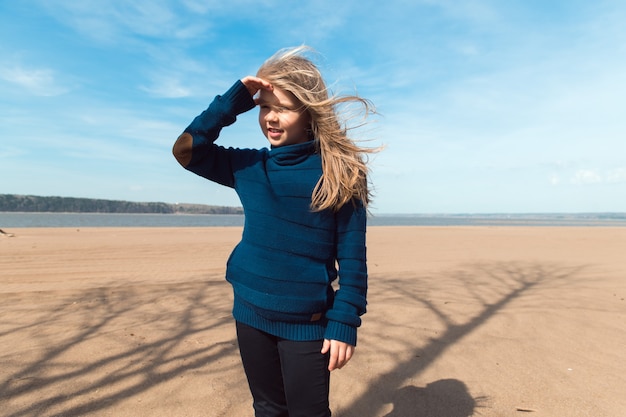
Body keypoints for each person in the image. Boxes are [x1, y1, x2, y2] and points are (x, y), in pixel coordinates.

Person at [173, 46, 376, 417]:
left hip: (309, 324)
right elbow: (188, 150)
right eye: (265, 107)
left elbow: (352, 259)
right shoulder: (249, 166)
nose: (271, 117)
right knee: (267, 409)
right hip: (249, 313)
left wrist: (345, 321)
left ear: (309, 111)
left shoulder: (339, 174)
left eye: (282, 107)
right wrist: (233, 102)